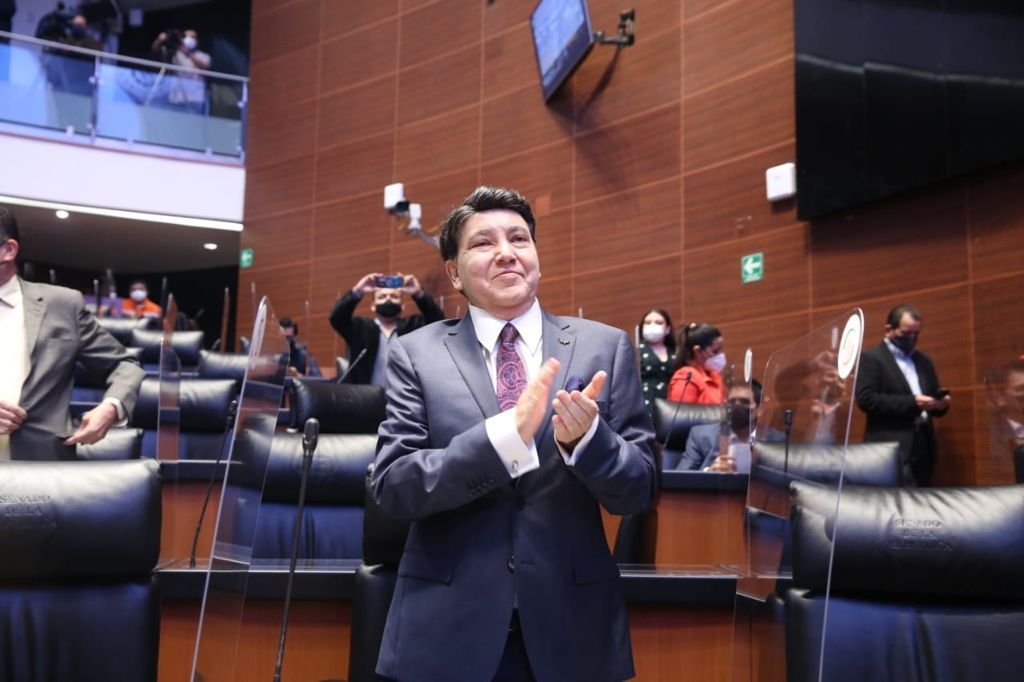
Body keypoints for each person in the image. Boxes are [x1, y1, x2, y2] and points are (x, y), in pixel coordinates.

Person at [371, 187, 656, 682]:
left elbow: (641, 492)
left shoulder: (603, 347)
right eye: (483, 242)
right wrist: (504, 439)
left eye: (519, 238)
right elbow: (394, 489)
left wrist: (588, 444)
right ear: (455, 272)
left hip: (573, 627)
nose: (506, 251)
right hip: (446, 628)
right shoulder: (415, 354)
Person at [0, 207, 144, 460]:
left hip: (42, 467)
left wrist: (111, 408)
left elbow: (123, 365)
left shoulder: (62, 305)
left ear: (8, 250)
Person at [855, 304, 950, 486]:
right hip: (892, 447)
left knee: (923, 503)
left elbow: (930, 397)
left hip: (923, 445)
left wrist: (940, 405)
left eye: (916, 334)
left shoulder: (923, 360)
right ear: (889, 329)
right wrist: (913, 403)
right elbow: (866, 399)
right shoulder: (872, 358)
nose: (912, 339)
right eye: (906, 334)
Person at [328, 272, 443, 386]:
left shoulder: (413, 326)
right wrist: (358, 290)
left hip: (405, 400)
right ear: (373, 305)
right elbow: (336, 317)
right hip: (365, 399)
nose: (388, 299)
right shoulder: (360, 327)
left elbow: (438, 321)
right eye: (382, 297)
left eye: (394, 296)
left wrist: (419, 294)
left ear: (402, 305)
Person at [679, 381, 763, 472]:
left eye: (745, 402)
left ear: (759, 409)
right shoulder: (701, 436)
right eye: (732, 402)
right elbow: (677, 479)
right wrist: (709, 472)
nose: (737, 406)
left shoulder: (776, 441)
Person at [151, 28, 210, 112]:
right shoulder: (176, 53)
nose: (190, 39)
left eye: (193, 37)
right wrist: (159, 40)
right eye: (187, 36)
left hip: (195, 99)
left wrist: (188, 54)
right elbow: (155, 51)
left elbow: (205, 67)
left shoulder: (204, 56)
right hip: (177, 98)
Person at [667, 322, 726, 404]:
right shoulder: (685, 377)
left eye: (720, 350)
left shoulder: (714, 376)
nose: (720, 355)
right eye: (715, 351)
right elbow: (683, 415)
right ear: (697, 351)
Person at [637, 307, 675, 411]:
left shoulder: (674, 352)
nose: (652, 326)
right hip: (645, 404)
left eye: (658, 322)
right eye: (647, 323)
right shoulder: (636, 350)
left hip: (670, 406)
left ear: (667, 329)